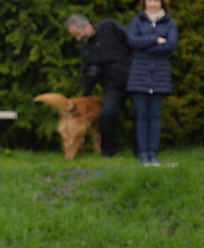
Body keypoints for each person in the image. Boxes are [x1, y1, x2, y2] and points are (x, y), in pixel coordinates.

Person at [66, 14, 134, 157]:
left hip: (134, 77)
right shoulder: (85, 49)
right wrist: (85, 97)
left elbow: (132, 41)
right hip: (113, 84)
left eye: (78, 34)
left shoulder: (109, 27)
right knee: (108, 113)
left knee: (139, 112)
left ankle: (141, 151)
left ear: (86, 26)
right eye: (75, 37)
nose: (78, 39)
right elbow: (87, 77)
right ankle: (108, 152)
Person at [127, 0, 178, 167]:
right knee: (142, 115)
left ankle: (153, 154)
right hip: (139, 76)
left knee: (155, 116)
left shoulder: (170, 23)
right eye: (149, 0)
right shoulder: (137, 21)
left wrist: (145, 47)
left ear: (162, 3)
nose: (152, 4)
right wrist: (155, 39)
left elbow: (170, 45)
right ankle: (143, 154)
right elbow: (132, 41)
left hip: (160, 77)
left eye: (156, 0)